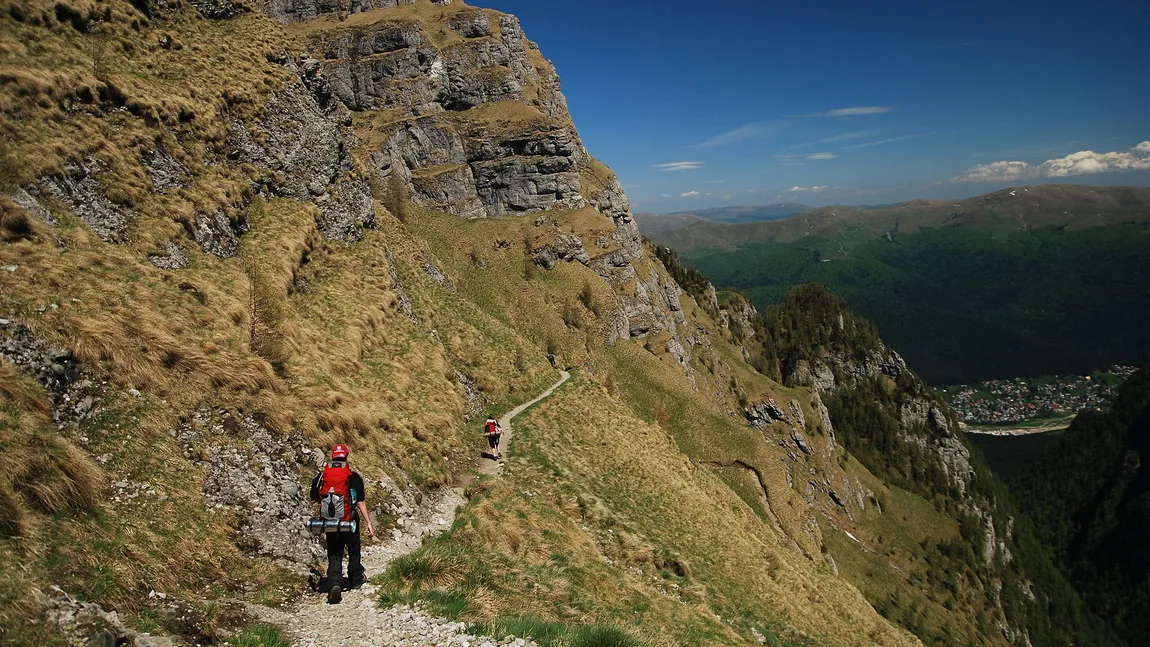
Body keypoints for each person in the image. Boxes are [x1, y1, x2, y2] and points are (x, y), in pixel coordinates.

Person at [309, 444, 376, 604]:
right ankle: (356, 578)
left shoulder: (322, 476)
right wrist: (369, 523)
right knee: (353, 550)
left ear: (333, 457)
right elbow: (360, 502)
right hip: (350, 520)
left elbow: (314, 496)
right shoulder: (353, 477)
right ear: (346, 457)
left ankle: (334, 582)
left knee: (334, 552)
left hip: (330, 522)